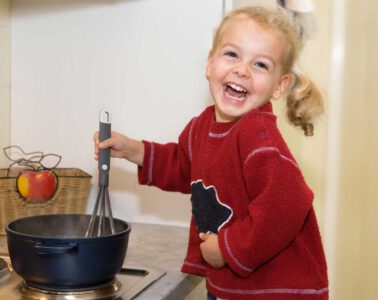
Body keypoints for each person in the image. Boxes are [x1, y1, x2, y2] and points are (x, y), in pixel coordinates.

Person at [94, 6, 328, 300]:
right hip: (234, 284)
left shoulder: (257, 135)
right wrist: (136, 150)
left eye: (261, 65)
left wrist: (229, 248)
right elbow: (184, 164)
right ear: (209, 63)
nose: (242, 70)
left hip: (275, 289)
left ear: (279, 86)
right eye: (232, 54)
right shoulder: (202, 127)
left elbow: (287, 203)